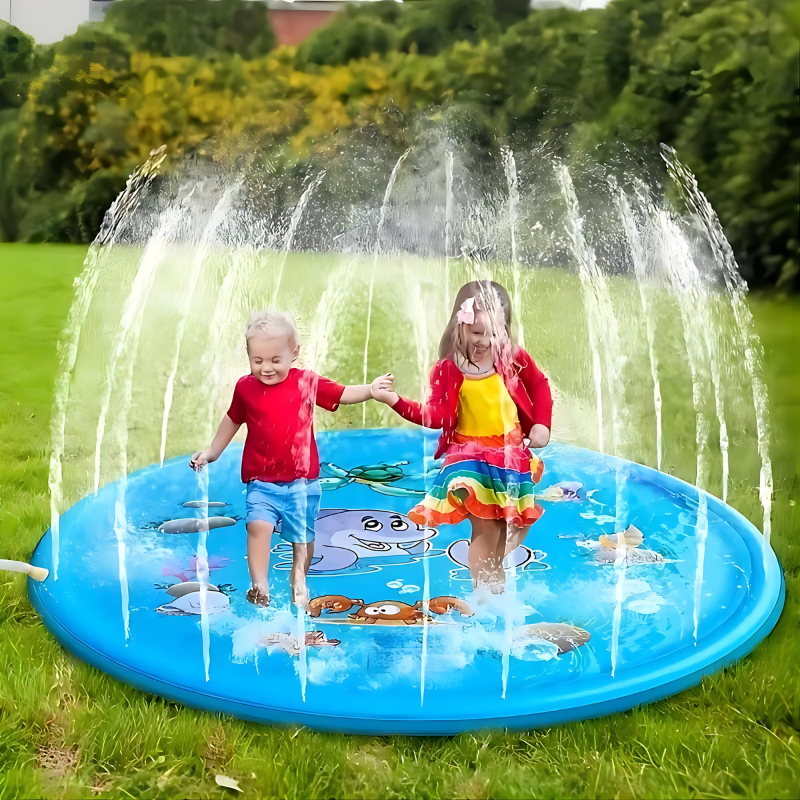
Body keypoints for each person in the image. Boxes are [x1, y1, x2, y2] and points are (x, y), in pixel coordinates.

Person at [191, 310, 392, 609]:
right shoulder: (245, 387)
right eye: (257, 361)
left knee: (303, 540)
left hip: (302, 483)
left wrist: (370, 391)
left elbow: (342, 393)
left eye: (275, 360)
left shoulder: (306, 382)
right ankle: (259, 586)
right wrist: (213, 452)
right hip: (261, 480)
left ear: (293, 353)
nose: (266, 368)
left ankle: (299, 578)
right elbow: (233, 419)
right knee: (258, 527)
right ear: (248, 355)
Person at [372, 281, 552, 593]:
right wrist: (394, 401)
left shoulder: (510, 355)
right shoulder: (449, 368)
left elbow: (539, 385)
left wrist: (542, 424)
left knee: (513, 525)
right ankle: (486, 596)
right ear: (460, 327)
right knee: (485, 529)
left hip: (511, 453)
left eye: (493, 333)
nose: (485, 341)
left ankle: (493, 581)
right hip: (471, 458)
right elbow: (436, 416)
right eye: (477, 333)